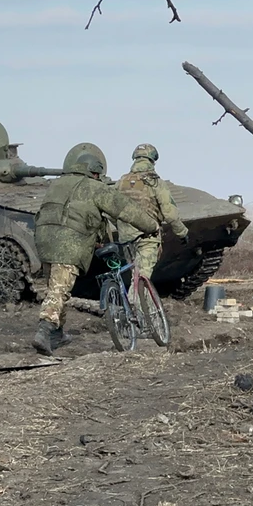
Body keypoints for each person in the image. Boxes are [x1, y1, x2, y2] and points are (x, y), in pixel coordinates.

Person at [32, 153, 160, 356]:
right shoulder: (95, 187)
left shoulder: (57, 184)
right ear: (94, 172)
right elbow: (125, 209)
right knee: (60, 289)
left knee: (55, 285)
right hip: (69, 242)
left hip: (44, 239)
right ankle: (45, 329)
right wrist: (151, 225)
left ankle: (57, 333)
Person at [114, 143, 189, 282]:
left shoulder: (121, 182)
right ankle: (135, 303)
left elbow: (111, 211)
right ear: (152, 160)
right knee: (142, 279)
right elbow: (169, 214)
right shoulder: (156, 183)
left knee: (135, 275)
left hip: (126, 238)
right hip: (147, 237)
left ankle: (141, 302)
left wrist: (122, 227)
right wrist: (182, 233)